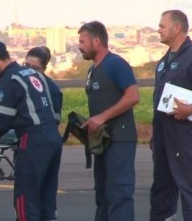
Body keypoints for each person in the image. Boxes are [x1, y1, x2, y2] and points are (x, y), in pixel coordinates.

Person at [0, 40, 63, 221]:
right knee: (46, 199)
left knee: (26, 198)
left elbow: (1, 122)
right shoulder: (33, 74)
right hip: (53, 139)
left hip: (33, 141)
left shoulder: (9, 79)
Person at [150, 10, 192, 221]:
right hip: (163, 135)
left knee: (190, 190)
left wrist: (190, 109)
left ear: (176, 27)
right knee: (161, 190)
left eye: (162, 26)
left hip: (186, 136)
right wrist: (155, 131)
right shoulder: (162, 62)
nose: (158, 30)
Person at [77, 21, 140, 221]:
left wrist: (102, 117)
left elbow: (133, 96)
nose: (79, 46)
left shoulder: (116, 64)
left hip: (120, 139)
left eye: (82, 41)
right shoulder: (92, 70)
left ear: (96, 41)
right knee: (103, 195)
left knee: (119, 194)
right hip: (102, 142)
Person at [24, 46, 63, 124]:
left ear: (43, 69)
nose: (29, 71)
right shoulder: (17, 81)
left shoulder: (52, 89)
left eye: (35, 68)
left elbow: (55, 120)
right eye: (27, 65)